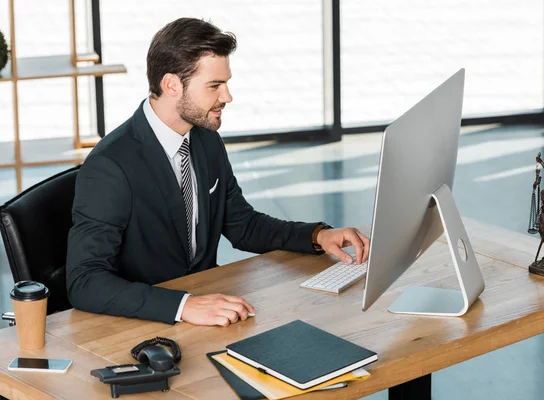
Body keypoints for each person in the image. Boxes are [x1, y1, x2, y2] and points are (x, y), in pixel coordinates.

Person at [66, 17, 370, 327]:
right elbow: (85, 281)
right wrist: (184, 306)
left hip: (211, 305)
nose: (227, 96)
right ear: (171, 84)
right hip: (147, 321)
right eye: (215, 86)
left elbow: (242, 225)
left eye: (225, 83)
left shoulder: (205, 138)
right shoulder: (110, 165)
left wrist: (318, 235)